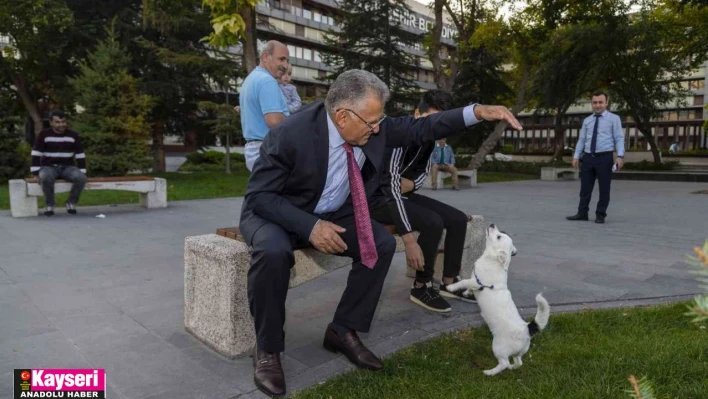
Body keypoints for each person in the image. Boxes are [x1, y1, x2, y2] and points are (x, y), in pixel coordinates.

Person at [239, 69, 522, 397]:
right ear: (342, 116)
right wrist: (310, 226)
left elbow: (423, 127)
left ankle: (342, 330)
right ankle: (268, 350)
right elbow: (259, 196)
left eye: (380, 121)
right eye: (372, 122)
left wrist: (477, 112)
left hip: (332, 211)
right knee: (273, 253)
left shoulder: (370, 126)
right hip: (277, 211)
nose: (377, 130)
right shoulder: (291, 133)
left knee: (381, 244)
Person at [375, 89, 476, 314]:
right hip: (378, 199)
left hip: (402, 194)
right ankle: (422, 286)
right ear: (417, 113)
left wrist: (411, 184)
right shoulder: (398, 135)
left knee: (458, 219)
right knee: (432, 221)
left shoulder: (430, 139)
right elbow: (390, 187)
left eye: (442, 122)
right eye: (432, 120)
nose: (436, 127)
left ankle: (450, 281)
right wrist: (408, 238)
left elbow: (420, 174)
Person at [567, 92, 625, 224]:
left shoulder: (614, 119)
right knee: (585, 188)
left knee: (604, 188)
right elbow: (582, 140)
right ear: (591, 104)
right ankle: (582, 213)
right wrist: (576, 156)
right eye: (595, 103)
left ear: (606, 103)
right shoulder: (587, 120)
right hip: (588, 158)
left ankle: (600, 214)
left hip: (605, 158)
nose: (597, 105)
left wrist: (620, 156)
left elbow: (619, 138)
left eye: (600, 102)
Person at [239, 40, 290, 171]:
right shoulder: (267, 81)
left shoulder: (251, 79)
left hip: (255, 150)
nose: (285, 65)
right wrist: (298, 122)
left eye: (287, 61)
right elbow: (274, 120)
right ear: (266, 57)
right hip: (269, 150)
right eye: (281, 59)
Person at [30, 110, 88, 216]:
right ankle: (50, 205)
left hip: (67, 167)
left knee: (81, 178)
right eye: (57, 122)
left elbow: (80, 154)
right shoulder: (44, 135)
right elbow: (36, 153)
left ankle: (71, 202)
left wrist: (82, 171)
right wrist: (35, 172)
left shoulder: (73, 135)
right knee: (46, 177)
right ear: (51, 123)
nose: (61, 124)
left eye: (63, 121)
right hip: (48, 167)